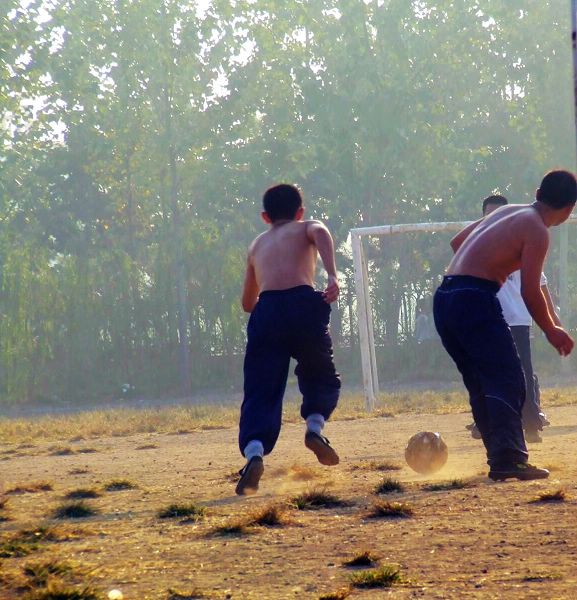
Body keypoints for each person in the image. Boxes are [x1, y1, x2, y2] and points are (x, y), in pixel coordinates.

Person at [434, 170, 576, 481]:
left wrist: (485, 261)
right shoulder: (538, 230)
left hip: (445, 297)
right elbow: (530, 289)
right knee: (509, 378)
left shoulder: (508, 211)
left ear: (538, 192)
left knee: (481, 380)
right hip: (474, 297)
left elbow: (457, 241)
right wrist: (552, 328)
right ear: (568, 211)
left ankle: (500, 457)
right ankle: (509, 458)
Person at [236, 183, 342, 495]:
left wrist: (269, 316)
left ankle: (254, 452)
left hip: (266, 310)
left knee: (261, 388)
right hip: (304, 303)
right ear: (300, 212)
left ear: (265, 217)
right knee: (319, 372)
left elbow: (246, 304)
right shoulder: (307, 227)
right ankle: (314, 428)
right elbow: (321, 233)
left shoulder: (256, 245)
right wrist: (333, 276)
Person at [465, 195, 558, 443]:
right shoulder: (476, 247)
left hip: (518, 320)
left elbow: (540, 284)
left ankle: (531, 422)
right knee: (487, 372)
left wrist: (552, 319)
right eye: (488, 214)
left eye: (498, 213)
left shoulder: (523, 242)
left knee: (523, 373)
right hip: (488, 321)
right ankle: (485, 422)